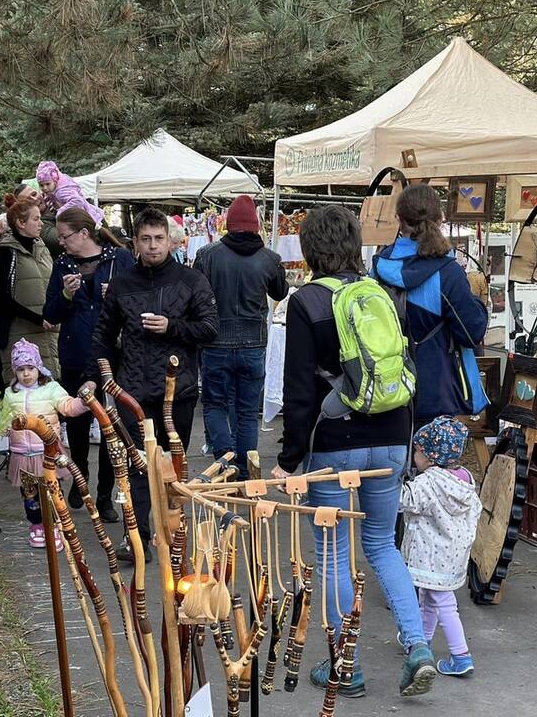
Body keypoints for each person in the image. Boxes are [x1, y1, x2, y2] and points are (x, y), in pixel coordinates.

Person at [269, 205, 436, 698]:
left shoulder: (307, 302)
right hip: (391, 436)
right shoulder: (379, 294)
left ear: (308, 248)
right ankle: (418, 648)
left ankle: (346, 665)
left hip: (336, 443)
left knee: (333, 554)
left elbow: (299, 391)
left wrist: (289, 456)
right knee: (383, 544)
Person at [91, 206, 219, 562]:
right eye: (145, 239)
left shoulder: (190, 280)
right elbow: (102, 335)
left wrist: (172, 326)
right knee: (137, 466)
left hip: (177, 389)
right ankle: (138, 537)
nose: (152, 246)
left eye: (158, 239)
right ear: (135, 243)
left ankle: (173, 533)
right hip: (132, 389)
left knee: (172, 467)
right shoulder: (122, 284)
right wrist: (100, 377)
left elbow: (210, 328)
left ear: (169, 239)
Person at [43, 206, 135, 524]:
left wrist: (118, 297)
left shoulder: (120, 259)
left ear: (84, 234)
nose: (61, 242)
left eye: (65, 236)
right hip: (76, 355)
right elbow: (49, 314)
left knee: (112, 427)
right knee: (78, 427)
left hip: (114, 356)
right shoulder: (62, 264)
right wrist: (66, 296)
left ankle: (106, 495)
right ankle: (81, 486)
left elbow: (139, 300)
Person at [373, 184, 488, 427]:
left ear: (398, 219)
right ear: (440, 218)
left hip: (384, 389)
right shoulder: (448, 273)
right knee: (432, 466)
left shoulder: (378, 269)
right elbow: (472, 333)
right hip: (434, 393)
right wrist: (477, 302)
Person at [193, 195, 287, 480]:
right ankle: (245, 471)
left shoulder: (208, 255)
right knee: (247, 412)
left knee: (215, 405)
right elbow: (280, 293)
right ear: (256, 226)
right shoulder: (269, 258)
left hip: (215, 341)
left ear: (229, 225)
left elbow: (195, 296)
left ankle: (224, 463)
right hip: (253, 343)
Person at [399, 416, 482, 677]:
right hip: (454, 556)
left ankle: (460, 655)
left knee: (443, 603)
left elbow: (403, 502)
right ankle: (420, 642)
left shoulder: (427, 483)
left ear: (428, 456)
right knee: (430, 598)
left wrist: (389, 484)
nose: (414, 455)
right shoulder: (464, 478)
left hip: (429, 556)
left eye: (417, 451)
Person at [6, 338, 91, 551]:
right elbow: (4, 419)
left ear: (39, 368)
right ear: (15, 371)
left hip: (46, 453)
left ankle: (54, 526)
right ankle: (36, 525)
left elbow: (67, 406)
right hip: (22, 455)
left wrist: (83, 403)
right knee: (29, 493)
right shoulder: (10, 394)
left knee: (52, 490)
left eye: (30, 368)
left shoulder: (51, 388)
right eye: (21, 369)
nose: (26, 374)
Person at [0, 192, 59, 392]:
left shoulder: (40, 247)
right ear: (20, 222)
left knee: (46, 393)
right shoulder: (7, 252)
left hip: (45, 333)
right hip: (18, 335)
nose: (41, 224)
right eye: (36, 219)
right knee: (21, 394)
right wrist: (37, 318)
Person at [36, 160, 105, 225]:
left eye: (48, 184)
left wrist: (60, 212)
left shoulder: (61, 192)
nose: (45, 188)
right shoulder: (54, 190)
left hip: (87, 218)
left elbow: (78, 201)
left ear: (55, 180)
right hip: (82, 216)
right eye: (41, 185)